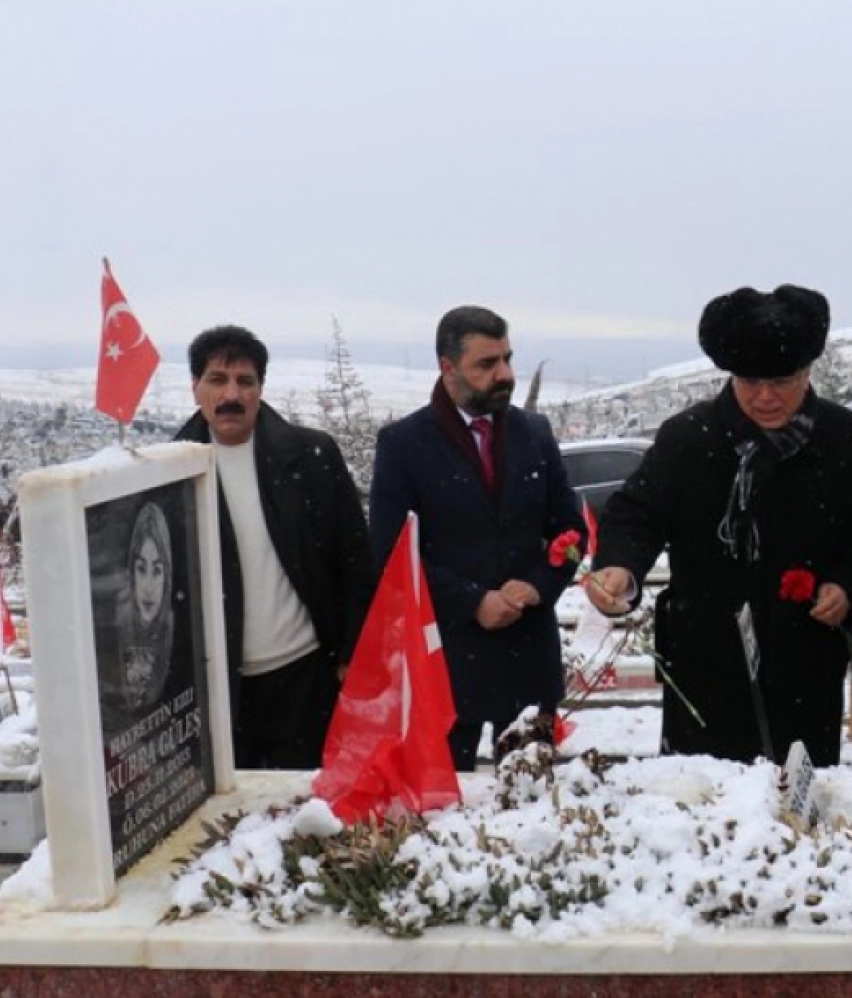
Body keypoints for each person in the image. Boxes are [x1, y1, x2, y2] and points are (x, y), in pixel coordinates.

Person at [585, 285, 852, 767]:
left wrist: (846, 585)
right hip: (706, 655)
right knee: (708, 795)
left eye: (783, 381)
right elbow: (637, 512)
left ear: (808, 371)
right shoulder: (689, 437)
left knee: (798, 791)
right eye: (750, 382)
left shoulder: (843, 438)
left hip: (803, 655)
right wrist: (620, 567)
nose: (766, 397)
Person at [369, 305, 585, 771]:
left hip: (528, 654)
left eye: (507, 358)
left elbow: (570, 530)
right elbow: (392, 555)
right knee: (444, 810)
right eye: (487, 364)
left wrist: (537, 585)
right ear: (448, 368)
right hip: (447, 659)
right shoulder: (403, 445)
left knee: (534, 802)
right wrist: (472, 601)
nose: (504, 374)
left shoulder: (534, 433)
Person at [175, 326, 376, 769]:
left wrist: (351, 654)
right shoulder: (169, 473)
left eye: (245, 381)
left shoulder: (310, 457)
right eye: (217, 379)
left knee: (307, 815)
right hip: (217, 688)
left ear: (261, 388)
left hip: (304, 676)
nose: (232, 394)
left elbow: (354, 560)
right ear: (195, 387)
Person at [119, 501, 174, 712]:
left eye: (157, 571)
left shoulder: (173, 630)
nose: (148, 587)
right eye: (141, 569)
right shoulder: (119, 624)